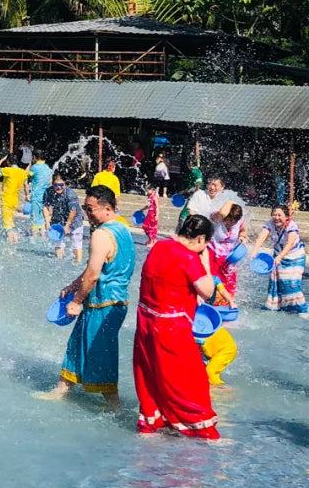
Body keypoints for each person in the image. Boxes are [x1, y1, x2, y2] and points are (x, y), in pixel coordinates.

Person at [39, 186, 135, 405]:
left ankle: (115, 404)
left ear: (107, 208)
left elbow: (93, 275)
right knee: (79, 342)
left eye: (90, 209)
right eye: (84, 208)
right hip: (117, 302)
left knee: (100, 350)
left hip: (103, 302)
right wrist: (74, 285)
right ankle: (62, 389)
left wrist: (75, 301)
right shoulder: (123, 228)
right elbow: (100, 266)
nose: (86, 213)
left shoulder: (101, 234)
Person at [132, 215, 222, 439]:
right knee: (190, 380)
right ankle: (202, 430)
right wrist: (205, 260)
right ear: (201, 239)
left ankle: (153, 420)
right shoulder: (188, 258)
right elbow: (208, 291)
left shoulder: (159, 247)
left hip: (145, 322)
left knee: (151, 374)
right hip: (171, 327)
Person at [249, 204, 308, 315]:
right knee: (280, 284)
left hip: (295, 257)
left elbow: (290, 244)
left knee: (292, 284)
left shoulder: (292, 226)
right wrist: (255, 250)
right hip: (278, 256)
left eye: (279, 215)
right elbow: (262, 237)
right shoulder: (270, 224)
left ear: (286, 217)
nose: (276, 218)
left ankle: (302, 309)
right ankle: (281, 306)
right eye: (274, 215)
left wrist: (280, 256)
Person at [208, 200, 245, 297]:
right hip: (213, 256)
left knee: (229, 283)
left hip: (229, 258)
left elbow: (243, 230)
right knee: (213, 282)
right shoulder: (216, 217)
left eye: (234, 221)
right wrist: (230, 201)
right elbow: (222, 213)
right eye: (229, 220)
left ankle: (226, 304)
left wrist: (242, 237)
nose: (231, 223)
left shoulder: (238, 222)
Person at [0, 152, 28, 243]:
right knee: (11, 223)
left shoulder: (8, 170)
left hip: (6, 200)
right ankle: (15, 241)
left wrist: (3, 159)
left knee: (8, 226)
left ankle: (10, 245)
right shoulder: (22, 172)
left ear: (8, 162)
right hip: (15, 201)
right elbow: (26, 184)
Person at [45, 174, 82, 261]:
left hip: (75, 220)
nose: (59, 188)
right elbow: (45, 207)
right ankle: (59, 261)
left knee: (76, 242)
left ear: (65, 184)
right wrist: (47, 222)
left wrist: (67, 225)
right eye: (56, 185)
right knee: (59, 242)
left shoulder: (70, 194)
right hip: (58, 219)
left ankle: (78, 262)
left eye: (61, 185)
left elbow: (73, 211)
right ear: (52, 184)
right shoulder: (49, 192)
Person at [27, 150, 53, 237]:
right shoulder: (48, 168)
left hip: (36, 196)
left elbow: (25, 175)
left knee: (35, 218)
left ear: (34, 157)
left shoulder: (35, 167)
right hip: (45, 196)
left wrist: (29, 164)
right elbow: (50, 183)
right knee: (42, 218)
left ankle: (34, 237)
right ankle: (43, 236)